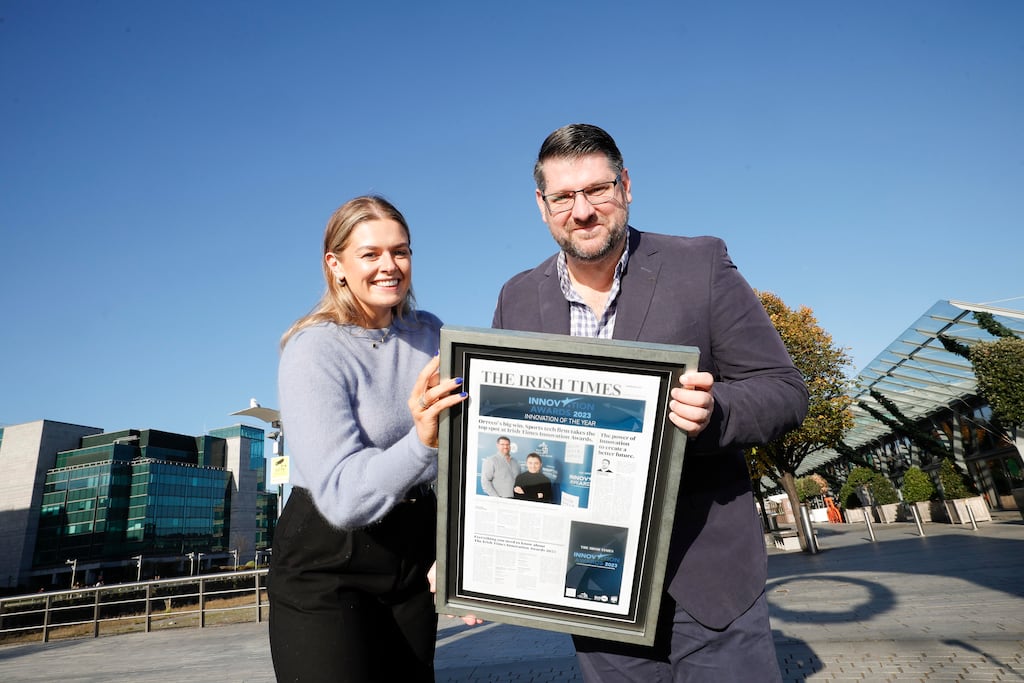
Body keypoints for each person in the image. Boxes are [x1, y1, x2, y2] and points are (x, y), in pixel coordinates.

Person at [492, 124, 808, 681]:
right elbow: (503, 429)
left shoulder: (700, 265)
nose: (583, 210)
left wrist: (717, 414)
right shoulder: (517, 297)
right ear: (542, 206)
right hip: (593, 588)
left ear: (627, 186)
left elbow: (784, 389)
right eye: (564, 197)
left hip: (708, 581)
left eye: (598, 190)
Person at [268, 195, 467, 683]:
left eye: (400, 251)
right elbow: (340, 498)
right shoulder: (313, 349)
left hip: (410, 553)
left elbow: (463, 449)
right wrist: (422, 442)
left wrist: (456, 551)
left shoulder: (433, 335)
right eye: (370, 254)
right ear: (335, 265)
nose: (390, 266)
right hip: (329, 560)